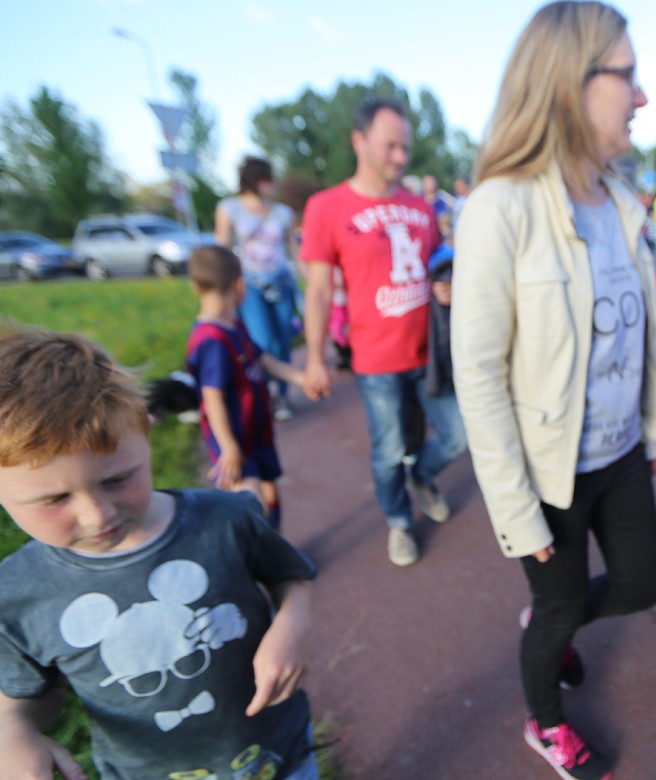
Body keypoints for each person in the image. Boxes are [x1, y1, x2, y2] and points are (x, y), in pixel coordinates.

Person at [0, 319, 331, 780]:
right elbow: (28, 689)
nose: (97, 514)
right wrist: (8, 732)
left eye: (118, 479)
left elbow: (291, 575)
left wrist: (291, 625)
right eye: (54, 498)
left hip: (282, 771)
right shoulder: (7, 598)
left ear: (144, 428)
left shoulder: (226, 520)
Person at [452, 0, 656, 780]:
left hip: (623, 452)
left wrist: (651, 425)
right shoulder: (499, 206)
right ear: (571, 82)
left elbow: (636, 336)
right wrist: (516, 510)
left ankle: (559, 616)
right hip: (551, 473)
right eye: (627, 77)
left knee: (640, 585)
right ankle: (545, 720)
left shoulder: (622, 202)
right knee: (557, 609)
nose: (642, 96)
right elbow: (479, 372)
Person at [299, 98, 466, 568]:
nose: (400, 156)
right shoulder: (326, 207)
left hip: (430, 353)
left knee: (456, 435)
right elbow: (318, 290)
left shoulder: (419, 207)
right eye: (390, 146)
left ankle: (422, 478)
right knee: (389, 450)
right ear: (360, 141)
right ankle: (399, 520)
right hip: (377, 360)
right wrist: (314, 358)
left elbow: (437, 265)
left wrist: (446, 284)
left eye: (405, 147)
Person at [186, 245, 307, 530]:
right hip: (234, 442)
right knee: (251, 502)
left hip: (257, 432)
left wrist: (302, 380)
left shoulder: (234, 325)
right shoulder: (212, 340)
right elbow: (212, 399)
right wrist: (229, 448)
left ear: (195, 287)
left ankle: (275, 543)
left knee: (270, 489)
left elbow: (264, 360)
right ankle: (257, 551)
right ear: (240, 284)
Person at [215, 156, 300, 422]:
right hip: (249, 284)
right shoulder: (230, 208)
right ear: (257, 180)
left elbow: (294, 250)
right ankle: (265, 394)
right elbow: (221, 248)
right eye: (269, 178)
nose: (274, 184)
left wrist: (311, 282)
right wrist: (222, 287)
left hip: (281, 281)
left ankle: (282, 394)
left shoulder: (283, 212)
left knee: (282, 339)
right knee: (260, 340)